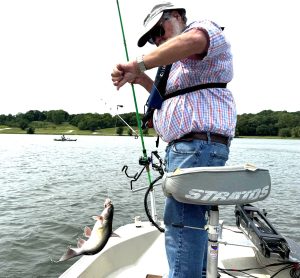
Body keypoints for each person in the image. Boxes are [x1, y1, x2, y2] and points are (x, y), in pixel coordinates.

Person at [111, 1, 236, 277]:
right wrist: (140, 77)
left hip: (196, 147)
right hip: (187, 149)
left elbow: (193, 40)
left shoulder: (202, 31)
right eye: (152, 38)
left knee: (181, 223)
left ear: (178, 16)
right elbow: (166, 99)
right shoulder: (175, 67)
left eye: (159, 29)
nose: (157, 39)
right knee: (190, 222)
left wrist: (139, 62)